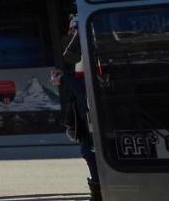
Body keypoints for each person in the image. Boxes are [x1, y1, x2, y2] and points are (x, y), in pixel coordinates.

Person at [60, 14, 100, 201]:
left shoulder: (90, 48)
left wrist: (63, 79)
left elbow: (85, 85)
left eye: (73, 29)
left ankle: (99, 190)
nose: (70, 33)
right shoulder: (76, 52)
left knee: (91, 152)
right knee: (88, 151)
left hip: (92, 111)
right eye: (70, 29)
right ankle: (98, 189)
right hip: (82, 112)